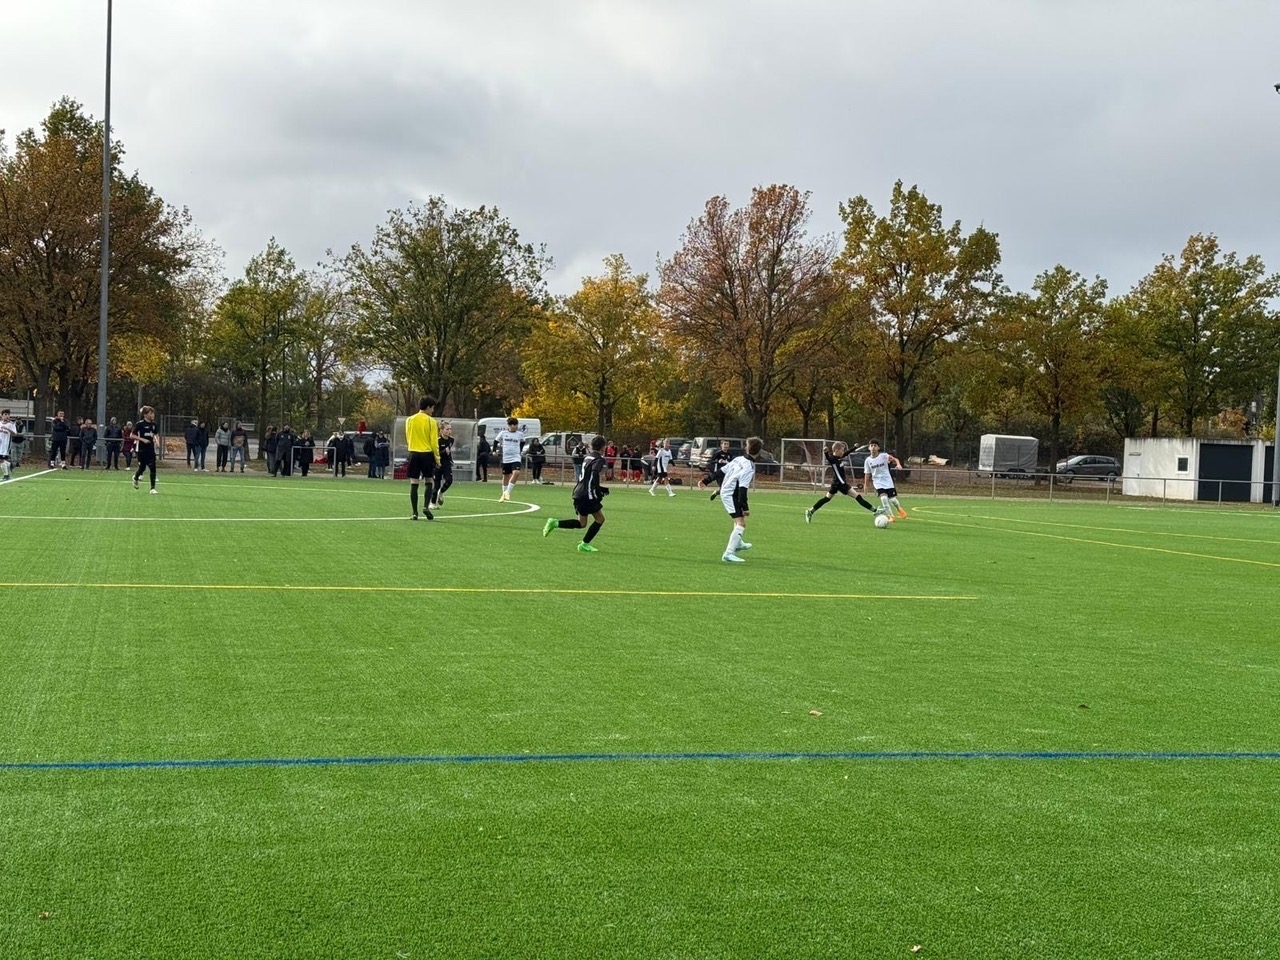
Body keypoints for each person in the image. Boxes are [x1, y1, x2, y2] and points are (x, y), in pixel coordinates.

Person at [542, 434, 609, 552]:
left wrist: (599, 488)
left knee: (582, 523)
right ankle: (584, 544)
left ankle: (555, 523)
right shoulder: (599, 459)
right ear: (603, 447)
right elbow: (594, 474)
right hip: (587, 494)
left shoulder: (588, 457)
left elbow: (587, 476)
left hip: (579, 492)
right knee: (600, 519)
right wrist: (597, 492)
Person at [805, 441, 880, 523]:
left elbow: (846, 453)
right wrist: (825, 452)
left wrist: (854, 448)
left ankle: (810, 511)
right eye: (841, 450)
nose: (843, 452)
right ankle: (875, 510)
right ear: (837, 450)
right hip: (840, 484)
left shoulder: (838, 457)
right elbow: (828, 458)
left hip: (836, 483)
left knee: (826, 498)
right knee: (858, 497)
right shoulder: (833, 459)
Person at [718, 436, 762, 563]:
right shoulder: (749, 467)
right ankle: (728, 553)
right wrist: (745, 507)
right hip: (730, 494)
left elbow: (722, 471)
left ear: (747, 448)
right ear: (758, 451)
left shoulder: (739, 459)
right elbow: (743, 490)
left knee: (739, 520)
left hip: (729, 492)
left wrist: (706, 480)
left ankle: (738, 543)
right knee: (741, 523)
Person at [405, 396, 440, 521]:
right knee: (429, 480)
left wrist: (412, 448)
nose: (433, 410)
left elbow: (408, 437)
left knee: (414, 482)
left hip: (414, 453)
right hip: (427, 454)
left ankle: (414, 513)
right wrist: (437, 459)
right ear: (428, 407)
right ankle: (425, 506)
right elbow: (434, 442)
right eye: (432, 408)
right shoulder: (431, 422)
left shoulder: (410, 420)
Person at [863, 439, 909, 521]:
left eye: (875, 446)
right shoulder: (868, 460)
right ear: (869, 448)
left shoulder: (884, 456)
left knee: (893, 500)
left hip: (888, 481)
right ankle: (891, 516)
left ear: (878, 448)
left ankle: (899, 509)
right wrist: (866, 485)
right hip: (878, 482)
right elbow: (867, 473)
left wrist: (898, 465)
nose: (873, 447)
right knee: (883, 498)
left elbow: (895, 459)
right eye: (871, 445)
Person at [492, 416, 525, 502]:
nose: (514, 426)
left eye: (516, 424)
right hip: (506, 458)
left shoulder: (520, 434)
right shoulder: (503, 433)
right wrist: (494, 450)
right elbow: (496, 441)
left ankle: (508, 492)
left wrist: (520, 450)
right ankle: (504, 494)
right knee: (506, 476)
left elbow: (523, 441)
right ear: (509, 425)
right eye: (512, 425)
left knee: (516, 472)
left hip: (516, 457)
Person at [131, 405, 160, 494]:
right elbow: (132, 435)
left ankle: (152, 488)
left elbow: (156, 434)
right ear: (145, 415)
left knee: (153, 467)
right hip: (141, 450)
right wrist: (142, 439)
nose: (152, 415)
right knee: (142, 468)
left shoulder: (154, 425)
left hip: (150, 449)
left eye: (153, 413)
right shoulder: (140, 424)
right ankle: (135, 478)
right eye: (150, 413)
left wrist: (157, 442)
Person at [431, 421, 455, 508]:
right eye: (447, 429)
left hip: (447, 464)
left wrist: (450, 459)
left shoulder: (451, 440)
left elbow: (449, 452)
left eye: (450, 429)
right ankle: (432, 503)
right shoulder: (437, 440)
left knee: (449, 480)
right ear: (441, 430)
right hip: (437, 464)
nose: (449, 431)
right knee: (436, 485)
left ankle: (440, 492)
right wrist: (444, 451)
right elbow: (434, 453)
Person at [0, 409, 19, 481]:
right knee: (1, 460)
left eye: (8, 414)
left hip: (5, 445)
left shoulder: (11, 424)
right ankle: (10, 465)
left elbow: (15, 433)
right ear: (1, 415)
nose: (7, 416)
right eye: (5, 414)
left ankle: (6, 475)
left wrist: (7, 429)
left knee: (1, 460)